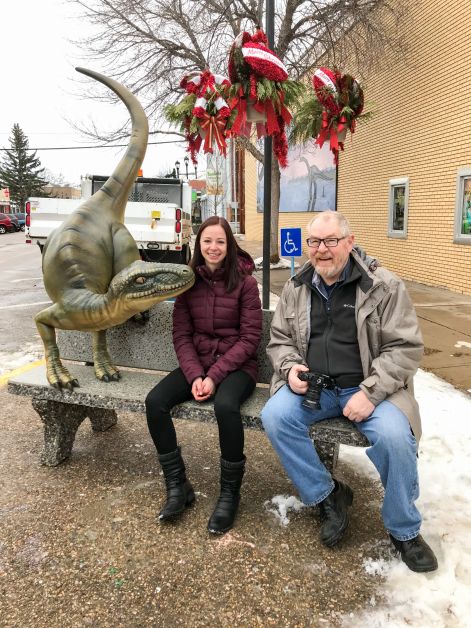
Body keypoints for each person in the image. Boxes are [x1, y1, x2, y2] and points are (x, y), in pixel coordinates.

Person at [261, 210, 438, 573]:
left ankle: (404, 529)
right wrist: (290, 367)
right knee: (275, 417)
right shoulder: (297, 288)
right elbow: (279, 341)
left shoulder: (383, 286)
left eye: (331, 241)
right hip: (316, 389)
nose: (321, 250)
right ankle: (329, 496)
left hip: (373, 390)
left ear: (349, 242)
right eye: (315, 242)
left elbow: (405, 348)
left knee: (395, 436)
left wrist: (370, 393)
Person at [145, 216, 262, 535]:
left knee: (226, 406)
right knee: (155, 402)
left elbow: (250, 339)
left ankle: (229, 495)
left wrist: (214, 376)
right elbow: (181, 335)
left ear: (230, 245)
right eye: (207, 241)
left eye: (220, 241)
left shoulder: (246, 284)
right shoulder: (188, 283)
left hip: (238, 367)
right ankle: (178, 486)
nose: (213, 247)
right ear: (199, 245)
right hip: (198, 362)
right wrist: (196, 374)